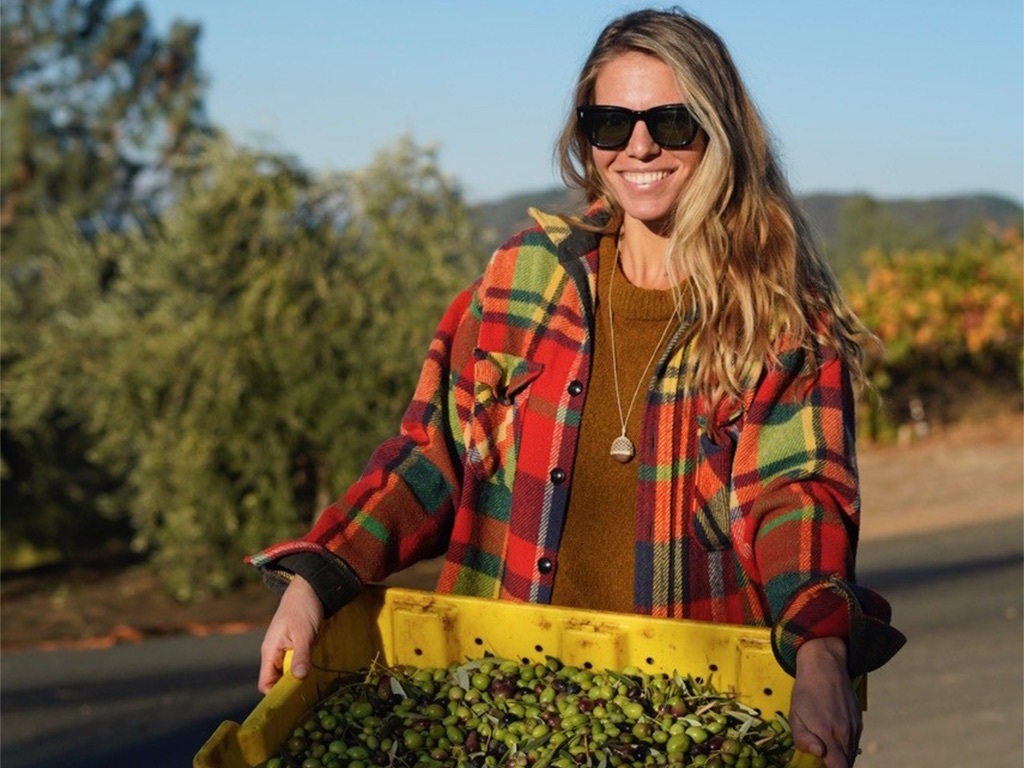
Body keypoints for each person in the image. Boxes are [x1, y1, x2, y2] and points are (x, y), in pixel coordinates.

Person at [250, 8, 905, 767]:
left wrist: (821, 647)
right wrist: (317, 576)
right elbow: (431, 455)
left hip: (682, 720)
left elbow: (797, 495)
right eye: (609, 122)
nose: (639, 146)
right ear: (585, 138)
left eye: (671, 120)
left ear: (720, 131)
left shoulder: (782, 317)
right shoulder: (524, 277)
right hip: (496, 710)